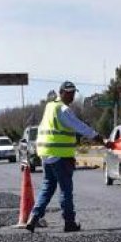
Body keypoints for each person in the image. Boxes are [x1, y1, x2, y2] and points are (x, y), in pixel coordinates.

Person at [25, 81, 109, 233]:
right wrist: (97, 137)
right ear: (61, 93)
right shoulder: (63, 110)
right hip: (60, 156)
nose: (72, 96)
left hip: (45, 154)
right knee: (65, 190)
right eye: (69, 93)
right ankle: (69, 222)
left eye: (73, 93)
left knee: (47, 187)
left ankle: (33, 218)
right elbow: (79, 126)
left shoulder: (50, 106)